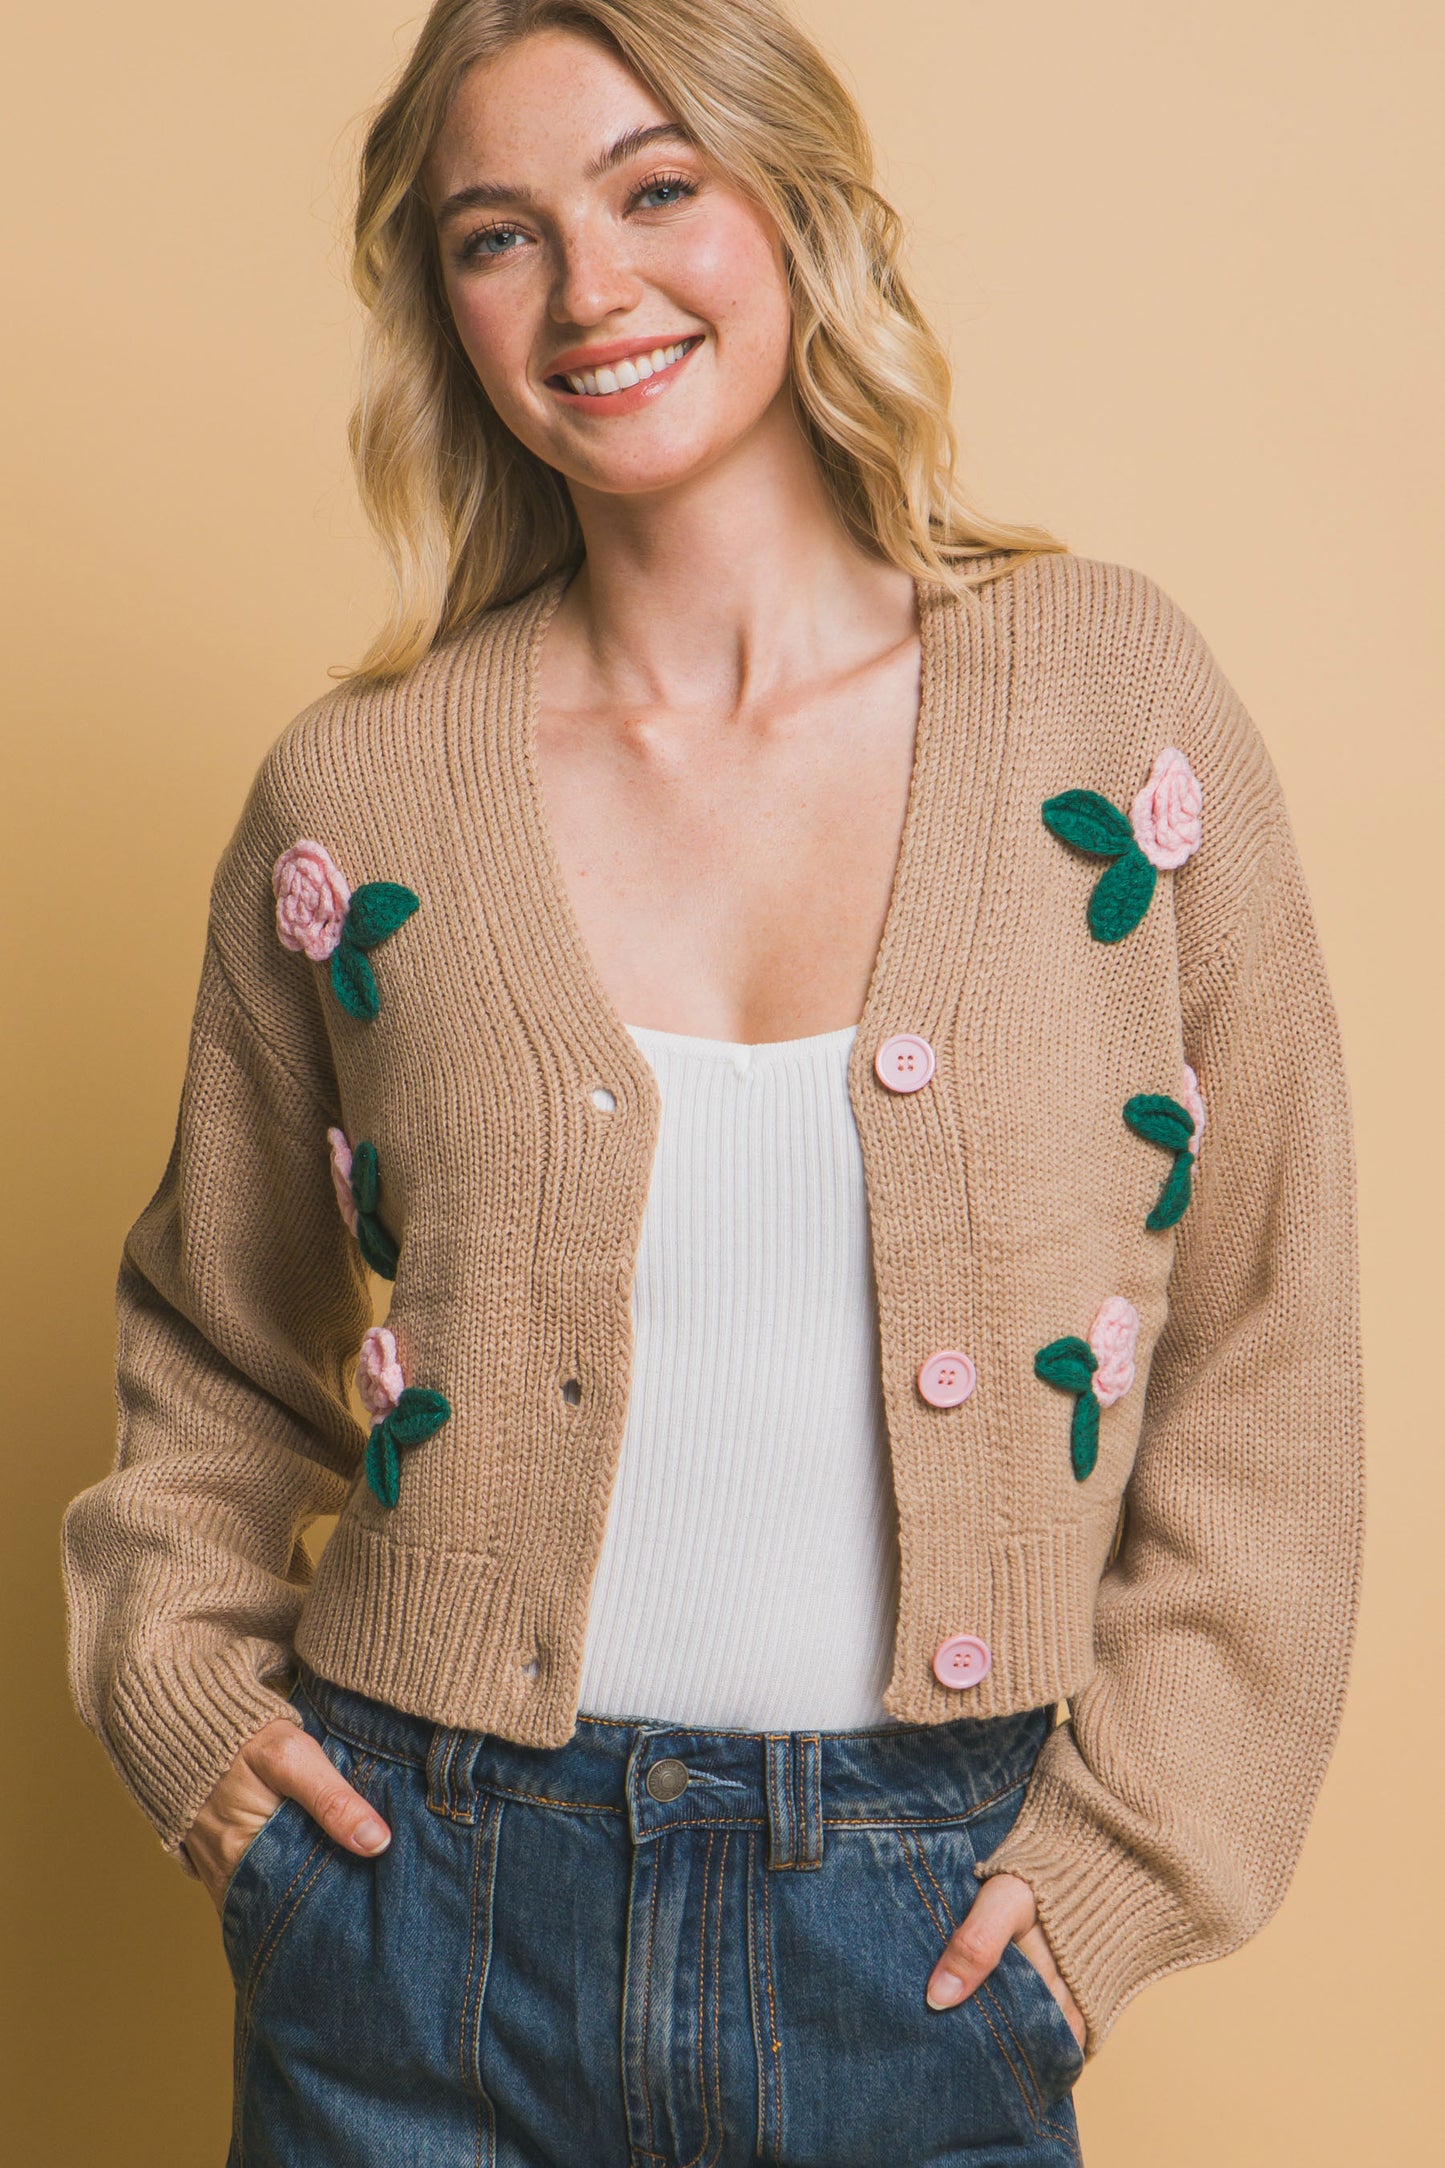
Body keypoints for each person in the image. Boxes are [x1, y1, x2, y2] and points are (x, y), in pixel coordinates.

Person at [60, 3, 1363, 2163]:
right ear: (446, 306)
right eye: (499, 235)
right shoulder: (361, 794)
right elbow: (213, 1341)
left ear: (792, 206)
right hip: (413, 1919)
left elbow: (1267, 1328)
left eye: (655, 188)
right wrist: (190, 1700)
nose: (592, 290)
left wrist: (1132, 1860)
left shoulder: (1102, 709)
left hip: (924, 1932)